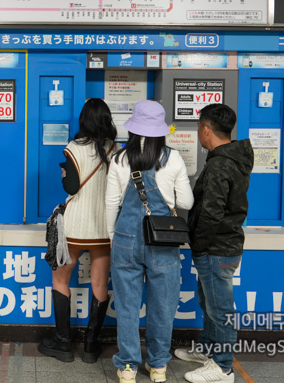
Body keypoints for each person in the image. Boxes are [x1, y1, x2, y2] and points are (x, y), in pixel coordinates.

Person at [105, 100, 194, 383]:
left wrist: (113, 238)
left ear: (133, 128)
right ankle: (157, 366)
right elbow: (186, 201)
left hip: (125, 239)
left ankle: (128, 367)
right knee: (163, 307)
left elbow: (111, 204)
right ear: (160, 130)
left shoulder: (119, 159)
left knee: (128, 307)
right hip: (162, 241)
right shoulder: (173, 158)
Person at [175, 103, 253, 383]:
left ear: (206, 130)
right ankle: (208, 350)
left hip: (216, 247)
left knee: (220, 310)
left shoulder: (220, 163)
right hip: (222, 245)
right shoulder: (231, 157)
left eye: (199, 127)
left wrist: (199, 244)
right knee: (210, 302)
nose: (198, 132)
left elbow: (212, 211)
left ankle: (222, 367)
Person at [39, 98, 118, 363]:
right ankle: (90, 347)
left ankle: (62, 343)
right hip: (103, 228)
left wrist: (65, 175)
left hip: (74, 227)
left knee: (61, 279)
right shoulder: (114, 150)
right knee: (99, 284)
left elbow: (71, 187)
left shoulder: (73, 148)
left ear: (84, 120)